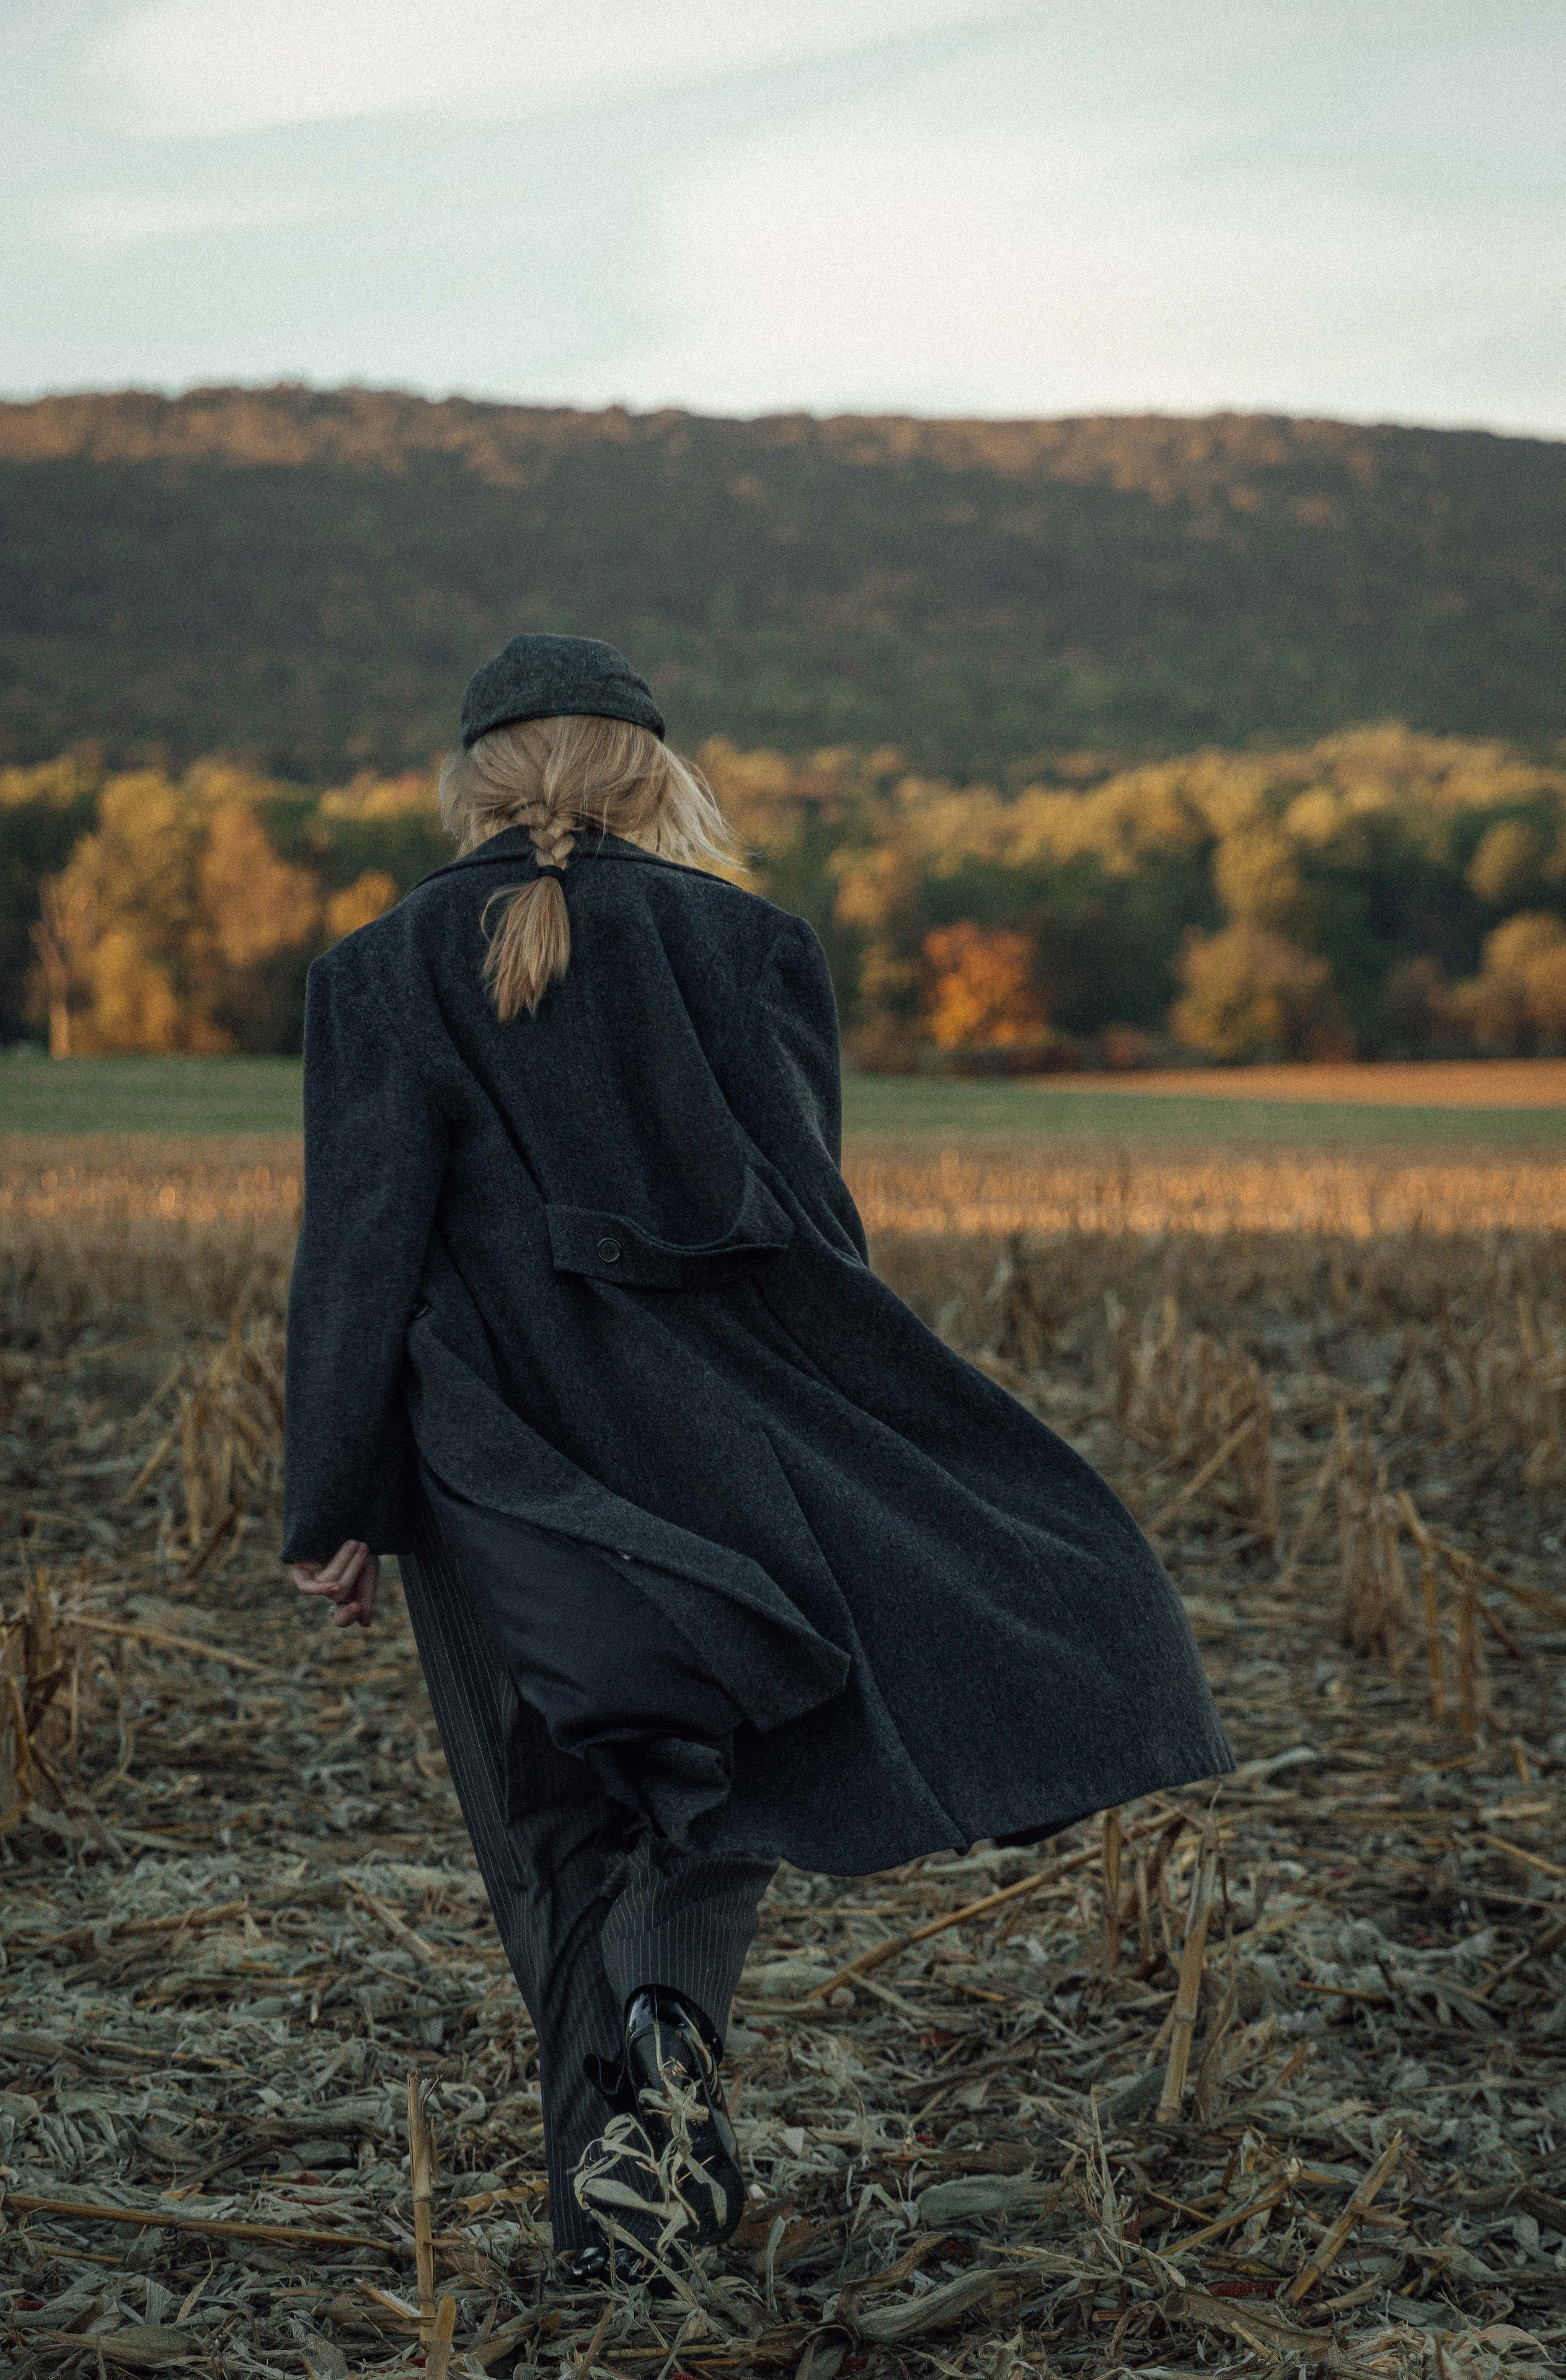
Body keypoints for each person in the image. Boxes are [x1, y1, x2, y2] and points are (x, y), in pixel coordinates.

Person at [283, 633, 1232, 2282]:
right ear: (654, 775)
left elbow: (359, 1257)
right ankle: (668, 2006)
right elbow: (809, 1232)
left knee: (545, 1820)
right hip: (715, 1432)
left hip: (492, 1453)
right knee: (724, 1752)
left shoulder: (378, 968)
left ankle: (609, 2222)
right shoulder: (752, 944)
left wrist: (335, 1501)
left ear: (474, 783)